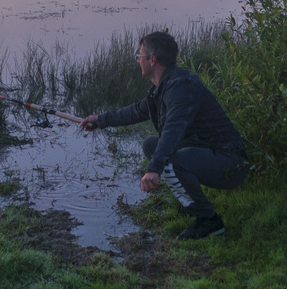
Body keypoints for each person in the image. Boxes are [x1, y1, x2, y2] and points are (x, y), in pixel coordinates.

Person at [80, 31, 247, 239]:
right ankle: (190, 203)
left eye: (140, 56)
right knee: (151, 144)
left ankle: (209, 221)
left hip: (230, 164)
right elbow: (136, 111)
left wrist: (154, 169)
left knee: (173, 161)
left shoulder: (181, 86)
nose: (138, 60)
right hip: (207, 153)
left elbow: (173, 129)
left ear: (152, 60)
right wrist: (100, 120)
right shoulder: (165, 85)